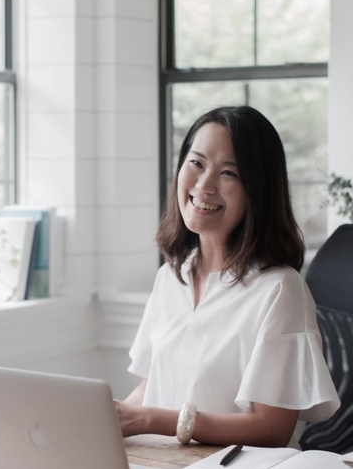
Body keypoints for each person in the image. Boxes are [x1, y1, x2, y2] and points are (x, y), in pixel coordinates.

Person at [114, 106, 339, 448]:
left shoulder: (279, 289)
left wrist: (151, 421)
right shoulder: (170, 277)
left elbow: (272, 428)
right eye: (197, 163)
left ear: (257, 191)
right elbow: (151, 387)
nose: (204, 185)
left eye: (228, 173)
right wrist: (100, 422)